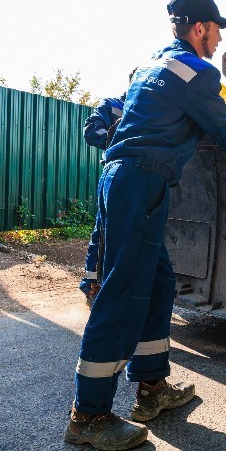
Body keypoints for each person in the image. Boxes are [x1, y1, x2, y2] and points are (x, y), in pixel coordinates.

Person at [65, 0, 226, 451]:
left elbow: (118, 114)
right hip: (141, 183)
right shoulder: (198, 72)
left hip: (124, 181)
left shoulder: (150, 68)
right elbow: (222, 129)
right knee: (124, 293)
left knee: (158, 284)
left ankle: (152, 388)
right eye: (217, 29)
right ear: (199, 28)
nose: (220, 39)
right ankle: (90, 413)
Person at [78, 94, 126, 305]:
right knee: (103, 230)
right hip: (115, 174)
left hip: (140, 176)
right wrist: (124, 143)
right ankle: (92, 284)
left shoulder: (151, 105)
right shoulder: (113, 106)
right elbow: (91, 132)